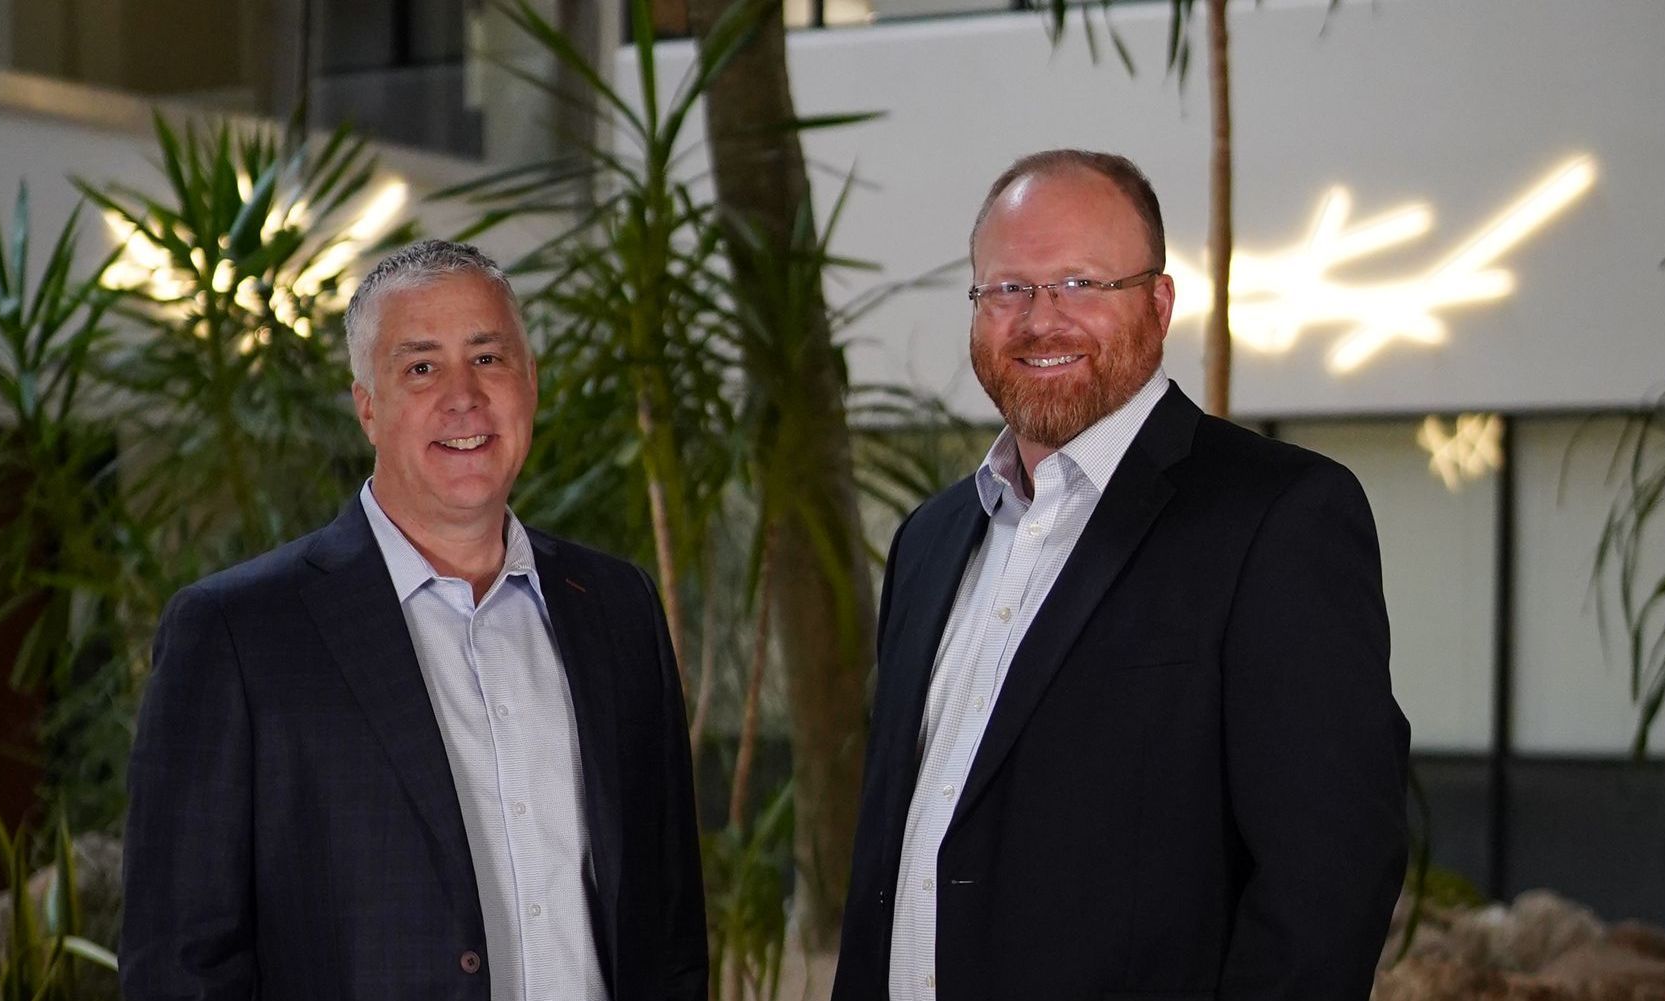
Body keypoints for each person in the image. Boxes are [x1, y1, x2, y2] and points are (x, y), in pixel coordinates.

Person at [832, 150, 1409, 1001]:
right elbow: (893, 858)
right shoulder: (928, 540)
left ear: (1159, 303)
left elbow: (1327, 884)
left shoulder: (1278, 518)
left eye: (1079, 284)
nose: (1040, 319)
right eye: (1008, 289)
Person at [120, 240, 706, 1001]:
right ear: (367, 404)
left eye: (488, 358)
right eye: (421, 367)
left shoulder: (618, 607)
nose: (463, 396)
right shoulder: (238, 634)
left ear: (530, 382)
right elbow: (179, 967)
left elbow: (670, 930)